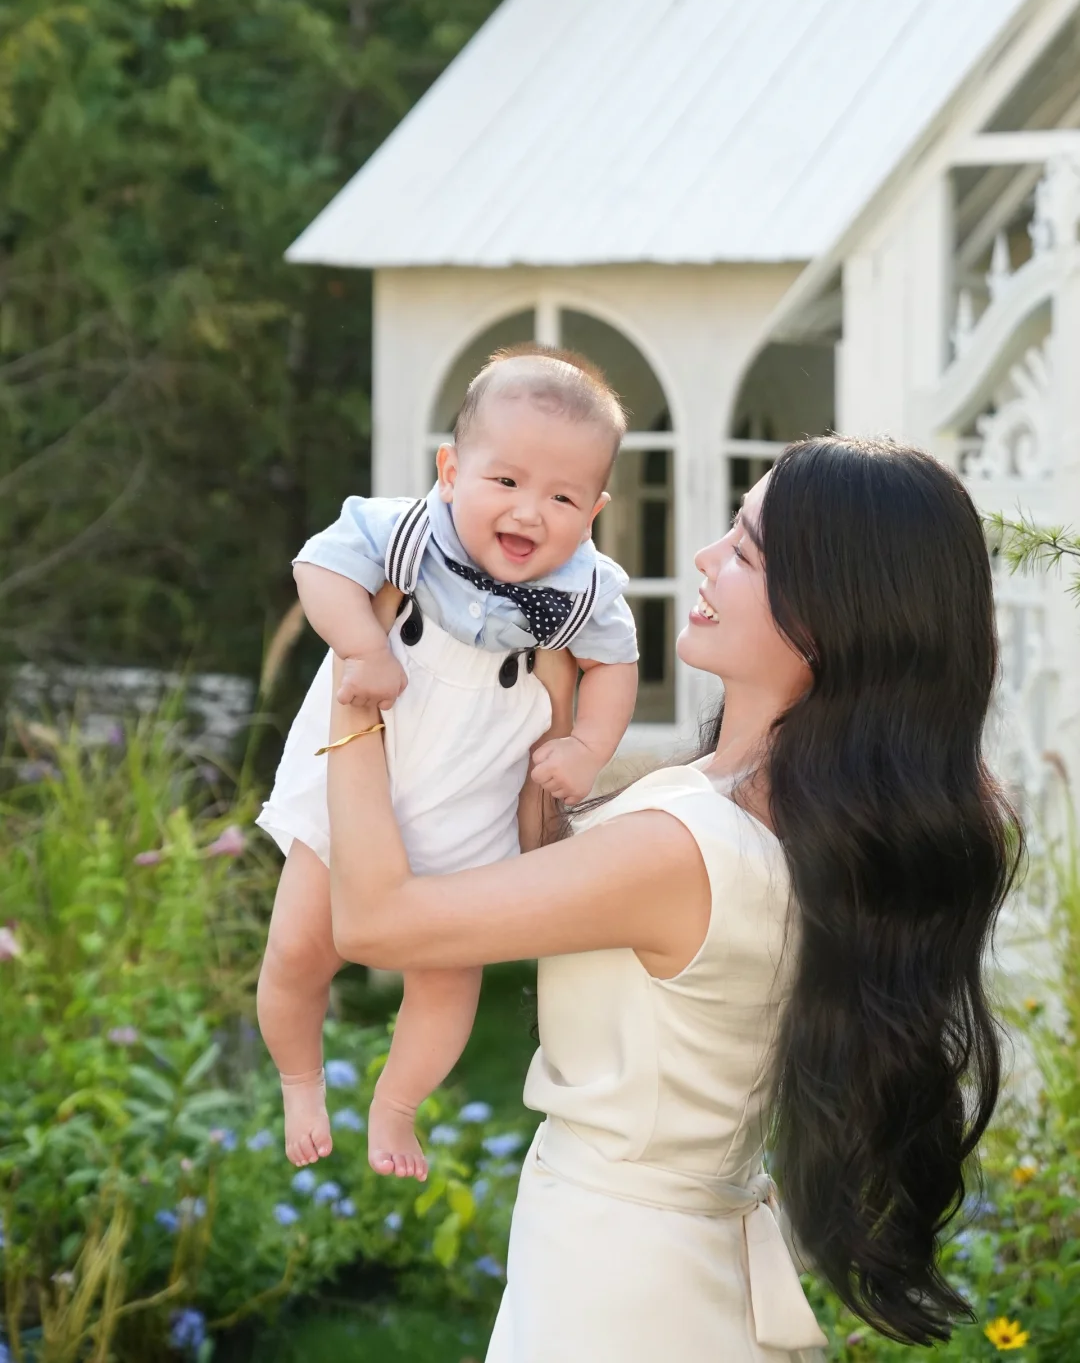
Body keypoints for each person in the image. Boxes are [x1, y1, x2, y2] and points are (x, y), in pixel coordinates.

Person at [320, 435, 1020, 1361]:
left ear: (828, 616)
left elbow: (375, 920)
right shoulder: (783, 821)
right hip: (658, 1263)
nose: (706, 558)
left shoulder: (690, 849)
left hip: (619, 1293)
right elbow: (552, 882)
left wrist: (356, 674)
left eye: (745, 549)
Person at [256, 346, 640, 1178]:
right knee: (295, 952)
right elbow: (317, 568)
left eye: (563, 496)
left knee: (446, 982)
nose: (530, 511)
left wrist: (586, 746)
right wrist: (363, 645)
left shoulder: (585, 589)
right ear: (451, 467)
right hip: (361, 782)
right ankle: (299, 1076)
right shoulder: (403, 530)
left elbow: (616, 667)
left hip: (469, 804)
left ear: (596, 508)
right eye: (505, 481)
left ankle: (397, 1104)